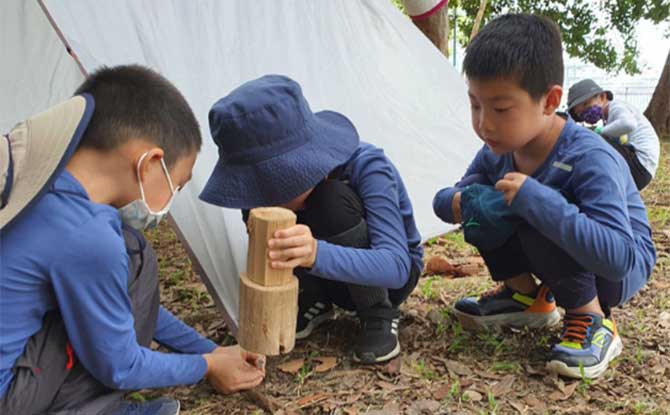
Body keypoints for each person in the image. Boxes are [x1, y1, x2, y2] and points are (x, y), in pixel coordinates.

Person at [0, 65, 265, 415]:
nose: (171, 198)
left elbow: (118, 306)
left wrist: (209, 351)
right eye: (177, 184)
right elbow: (120, 364)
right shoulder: (88, 234)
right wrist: (206, 366)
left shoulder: (37, 187)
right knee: (136, 254)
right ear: (150, 163)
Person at [432, 14, 656, 379]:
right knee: (488, 203)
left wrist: (538, 201)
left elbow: (619, 258)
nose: (484, 123)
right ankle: (525, 298)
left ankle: (592, 319)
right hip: (570, 252)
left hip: (616, 267)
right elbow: (447, 198)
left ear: (550, 100)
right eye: (475, 105)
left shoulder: (590, 157)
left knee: (536, 207)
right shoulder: (497, 148)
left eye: (501, 108)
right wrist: (462, 202)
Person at [200, 74, 423, 364]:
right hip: (328, 276)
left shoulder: (367, 166)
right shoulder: (263, 203)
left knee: (330, 202)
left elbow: (396, 266)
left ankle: (376, 312)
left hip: (386, 281)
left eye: (266, 186)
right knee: (263, 216)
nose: (261, 198)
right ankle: (316, 298)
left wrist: (315, 253)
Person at [567, 78, 660, 190]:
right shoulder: (608, 119)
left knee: (591, 141)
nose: (585, 113)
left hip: (640, 163)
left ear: (602, 97)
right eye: (580, 113)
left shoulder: (616, 106)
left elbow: (628, 124)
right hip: (640, 168)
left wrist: (599, 132)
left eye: (586, 104)